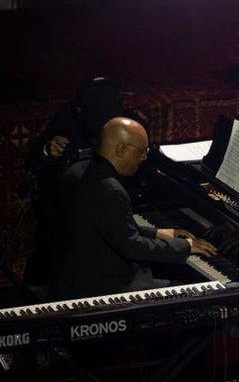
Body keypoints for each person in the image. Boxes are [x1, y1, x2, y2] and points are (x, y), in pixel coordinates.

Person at [52, 117, 217, 300]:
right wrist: (186, 246)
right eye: (142, 151)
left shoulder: (85, 170)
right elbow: (132, 246)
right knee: (195, 295)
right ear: (121, 149)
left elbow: (114, 227)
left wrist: (160, 233)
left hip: (78, 275)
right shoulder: (110, 189)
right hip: (103, 287)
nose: (144, 158)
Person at [21, 77, 128, 287]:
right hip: (64, 208)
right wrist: (49, 149)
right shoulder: (69, 118)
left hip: (108, 207)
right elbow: (36, 156)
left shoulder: (126, 126)